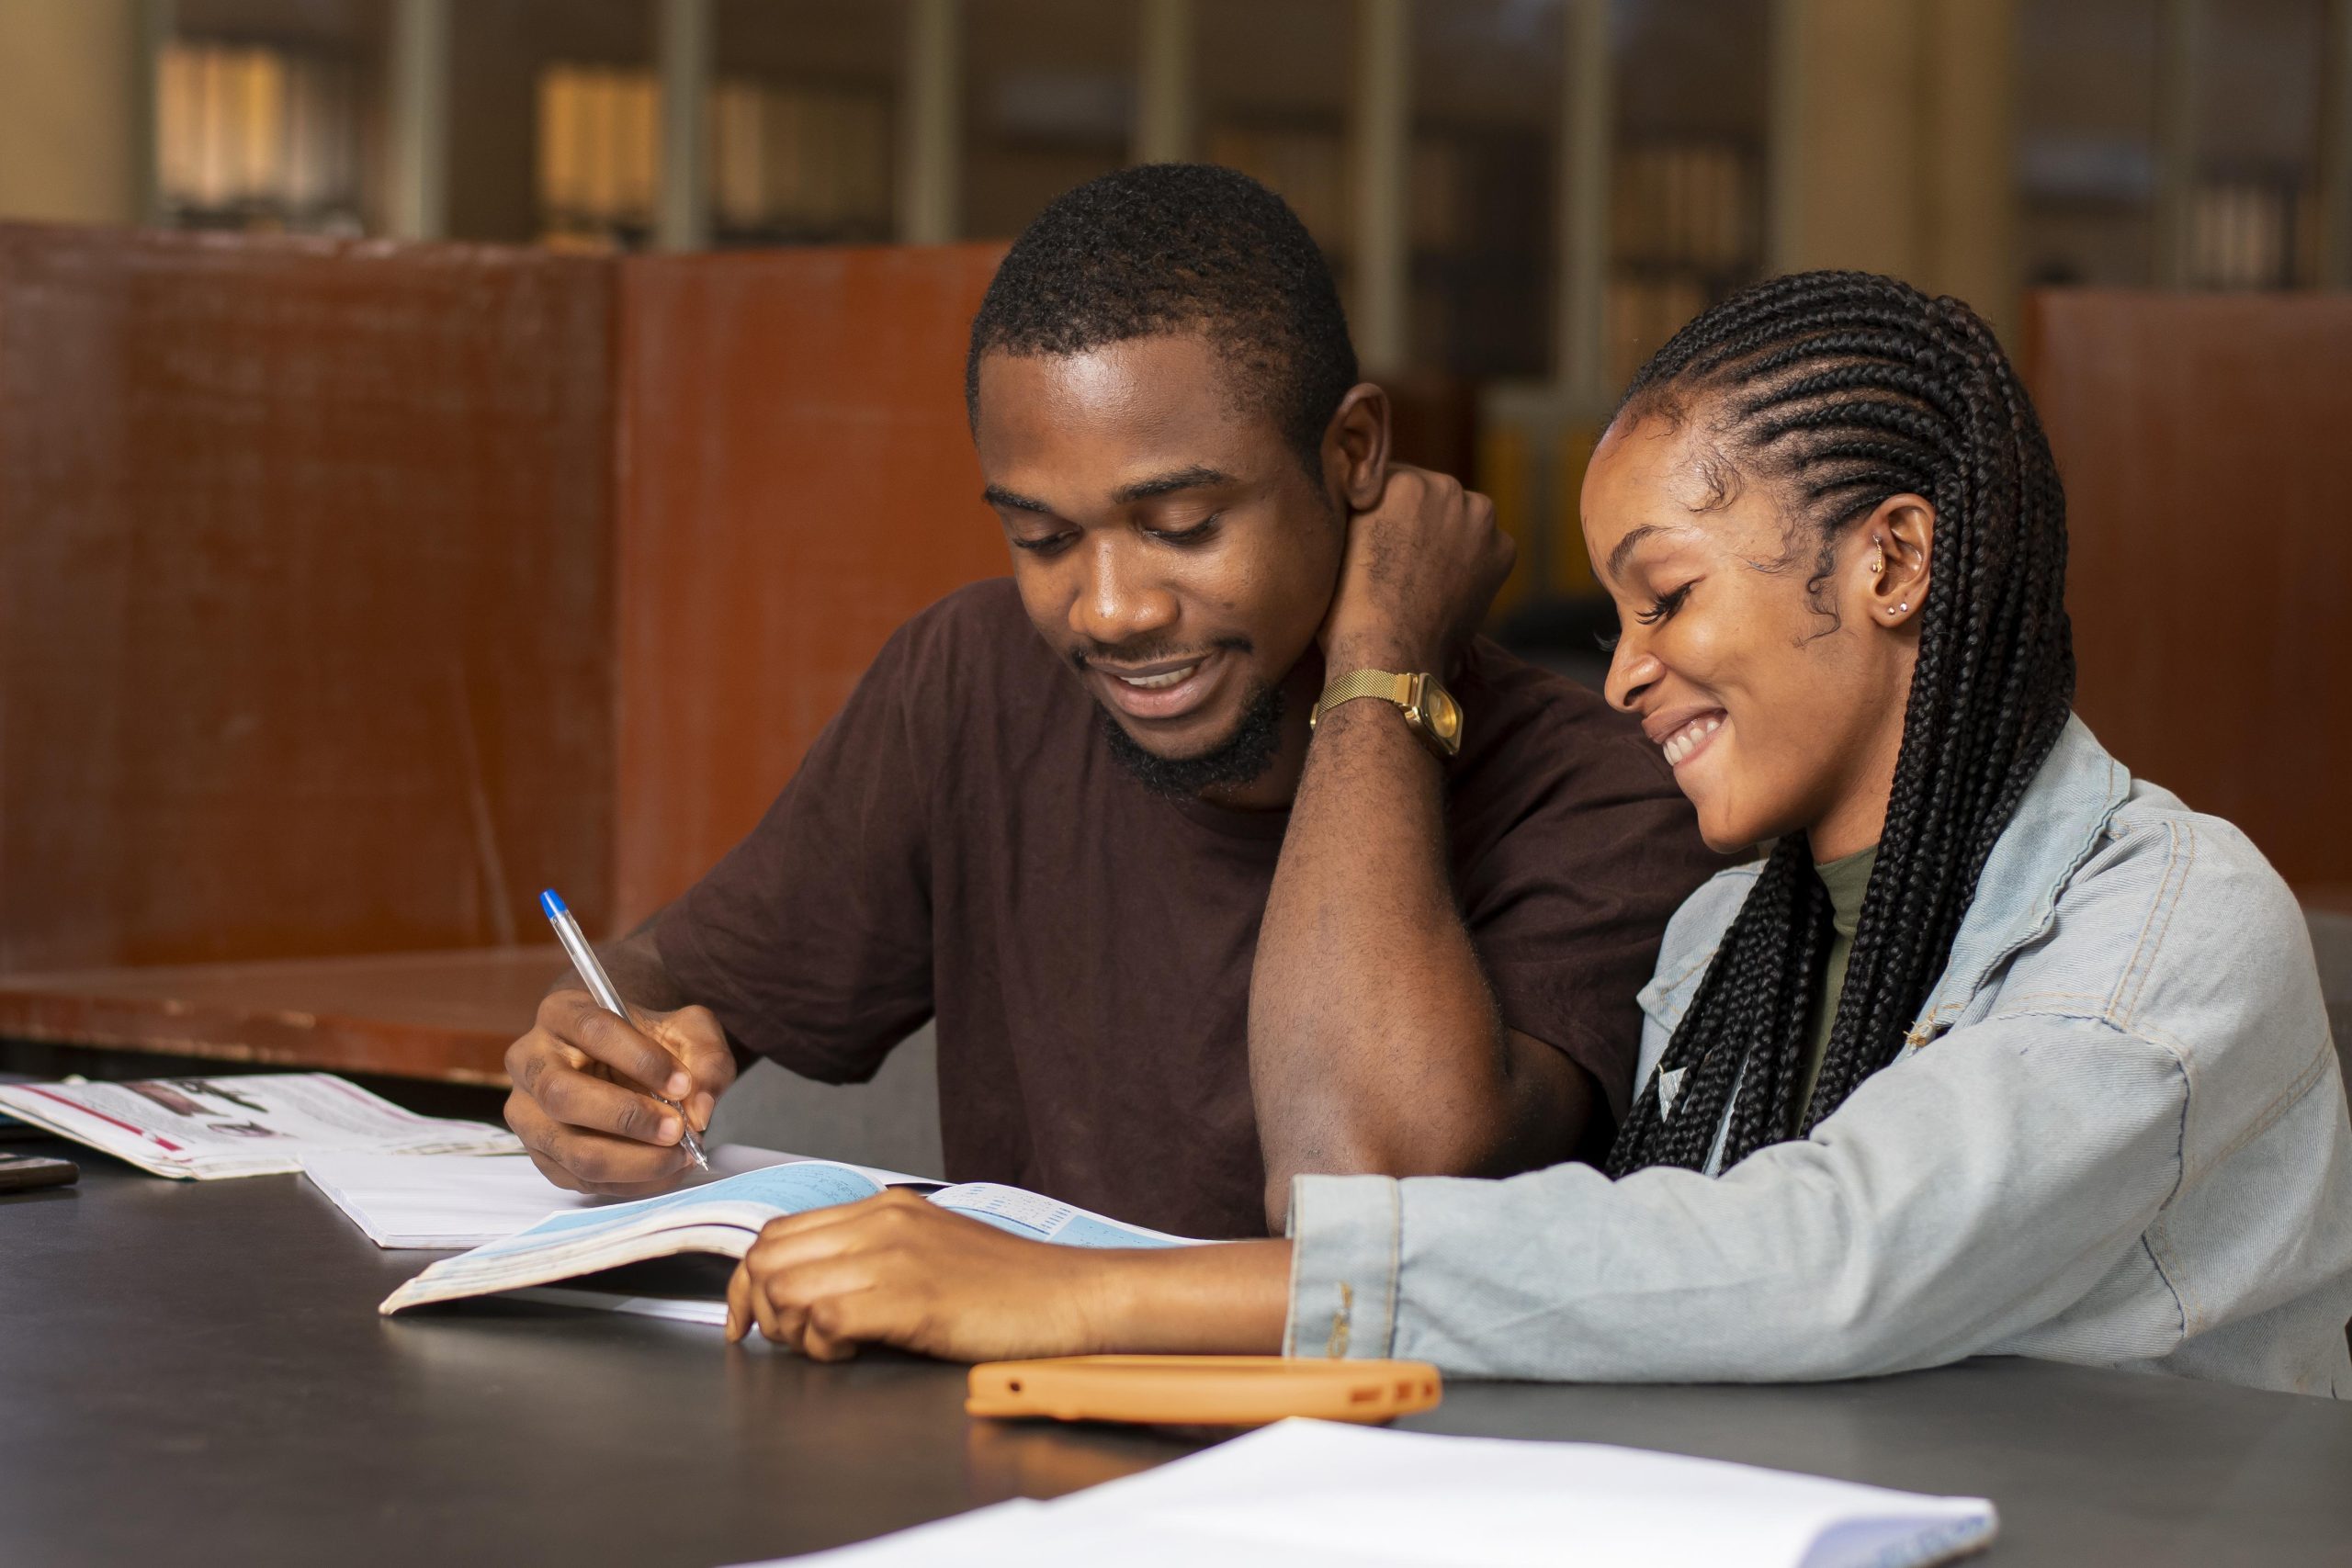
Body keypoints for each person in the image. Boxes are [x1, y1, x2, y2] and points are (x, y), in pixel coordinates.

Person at [721, 271, 2352, 1398]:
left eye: (1666, 596)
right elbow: (1625, 1294)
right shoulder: (1729, 945)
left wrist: (1071, 1299)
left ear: (1894, 561)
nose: (1625, 668)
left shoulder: (2171, 933)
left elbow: (1818, 1262)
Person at [501, 164, 1721, 1241]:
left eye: (1183, 527)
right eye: (1041, 537)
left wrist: (1379, 666)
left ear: (1353, 456)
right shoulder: (975, 682)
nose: (1108, 609)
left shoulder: (1602, 790)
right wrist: (596, 1047)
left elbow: (1365, 1185)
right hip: (1010, 1452)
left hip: (1377, 1476)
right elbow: (673, 974)